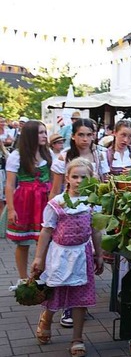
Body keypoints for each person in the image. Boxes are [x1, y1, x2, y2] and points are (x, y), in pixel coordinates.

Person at [30, 158, 104, 356]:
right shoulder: (57, 203)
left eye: (84, 177)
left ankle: (77, 338)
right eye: (75, 176)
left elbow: (96, 230)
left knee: (80, 298)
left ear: (91, 179)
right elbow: (46, 231)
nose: (79, 181)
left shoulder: (93, 203)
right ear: (67, 178)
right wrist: (39, 258)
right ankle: (47, 318)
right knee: (54, 293)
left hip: (82, 255)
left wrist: (99, 254)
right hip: (60, 256)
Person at [5, 120, 52, 280]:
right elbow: (10, 185)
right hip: (24, 201)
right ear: (31, 135)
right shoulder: (17, 155)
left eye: (45, 132)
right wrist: (11, 209)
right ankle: (23, 278)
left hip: (44, 200)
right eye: (40, 132)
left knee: (44, 240)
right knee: (23, 242)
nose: (44, 135)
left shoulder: (48, 154)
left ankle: (39, 276)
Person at [49, 119, 109, 200]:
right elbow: (55, 191)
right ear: (73, 136)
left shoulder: (99, 156)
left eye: (89, 135)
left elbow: (105, 183)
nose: (85, 139)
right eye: (81, 135)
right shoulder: (64, 157)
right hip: (70, 202)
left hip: (94, 203)